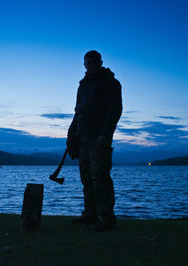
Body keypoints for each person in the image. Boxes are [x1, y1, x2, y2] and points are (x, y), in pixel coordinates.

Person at [67, 50, 122, 231]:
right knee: (87, 179)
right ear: (84, 64)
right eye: (88, 62)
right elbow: (78, 112)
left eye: (94, 61)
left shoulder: (110, 83)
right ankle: (90, 215)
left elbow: (115, 110)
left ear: (100, 62)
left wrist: (106, 134)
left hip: (98, 138)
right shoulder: (82, 86)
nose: (91, 64)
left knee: (100, 178)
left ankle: (107, 219)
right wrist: (72, 135)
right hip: (82, 138)